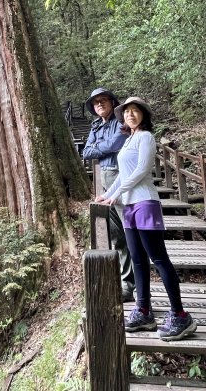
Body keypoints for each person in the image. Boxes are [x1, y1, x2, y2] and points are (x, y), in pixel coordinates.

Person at [96, 97, 197, 341]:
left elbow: (142, 170)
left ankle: (180, 314)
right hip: (129, 206)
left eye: (135, 111)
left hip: (145, 203)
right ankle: (143, 310)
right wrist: (108, 195)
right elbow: (123, 175)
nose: (131, 114)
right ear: (123, 117)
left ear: (143, 115)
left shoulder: (146, 138)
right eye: (127, 111)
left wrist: (117, 194)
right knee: (138, 260)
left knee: (159, 258)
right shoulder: (128, 140)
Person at [83, 87, 135, 302]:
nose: (100, 104)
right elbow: (86, 152)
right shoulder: (96, 126)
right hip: (104, 179)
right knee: (116, 234)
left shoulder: (120, 123)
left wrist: (100, 146)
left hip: (119, 177)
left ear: (112, 103)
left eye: (104, 100)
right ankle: (126, 283)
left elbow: (116, 143)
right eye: (96, 102)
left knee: (128, 229)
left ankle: (133, 284)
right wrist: (102, 147)